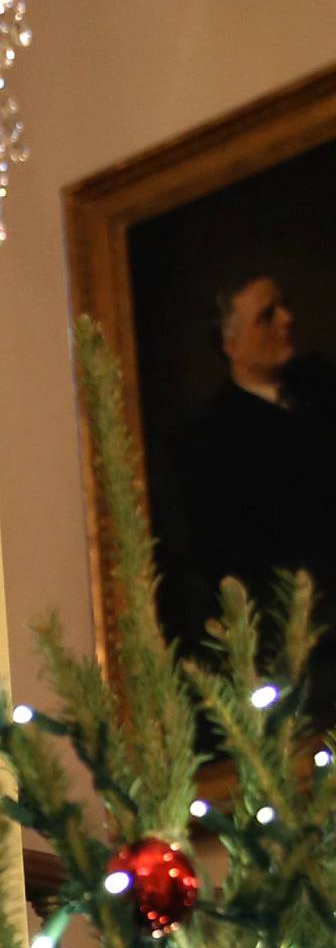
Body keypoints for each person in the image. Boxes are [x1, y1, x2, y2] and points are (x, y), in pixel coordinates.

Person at [166, 271, 336, 715]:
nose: (287, 319)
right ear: (231, 343)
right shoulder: (211, 439)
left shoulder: (322, 390)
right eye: (266, 316)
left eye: (283, 305)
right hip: (302, 642)